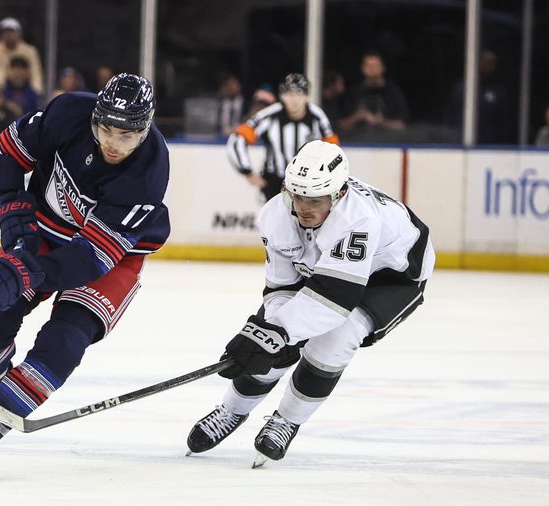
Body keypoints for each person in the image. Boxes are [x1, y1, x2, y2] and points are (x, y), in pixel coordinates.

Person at [0, 73, 170, 476]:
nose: (113, 142)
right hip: (44, 229)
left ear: (143, 131)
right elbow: (3, 154)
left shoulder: (148, 174)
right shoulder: (69, 112)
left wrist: (24, 272)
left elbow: (90, 259)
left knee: (65, 340)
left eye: (126, 136)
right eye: (106, 129)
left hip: (109, 258)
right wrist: (12, 208)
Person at [186, 140, 434, 466]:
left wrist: (281, 333)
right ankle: (231, 411)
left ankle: (287, 420)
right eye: (297, 196)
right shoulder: (275, 213)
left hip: (390, 278)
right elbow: (281, 286)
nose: (303, 207)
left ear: (339, 194)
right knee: (270, 338)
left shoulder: (358, 220)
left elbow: (334, 300)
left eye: (314, 200)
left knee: (336, 339)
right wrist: (270, 334)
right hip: (328, 269)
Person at [227, 73, 339, 202]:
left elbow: (333, 148)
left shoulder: (317, 116)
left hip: (307, 181)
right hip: (275, 182)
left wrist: (327, 177)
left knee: (304, 220)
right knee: (275, 221)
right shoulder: (270, 115)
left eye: (299, 94)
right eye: (289, 94)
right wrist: (247, 171)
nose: (294, 100)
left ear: (306, 96)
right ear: (282, 96)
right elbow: (238, 139)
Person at [339, 50, 409, 140]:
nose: (372, 69)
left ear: (383, 68)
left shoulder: (393, 92)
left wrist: (381, 121)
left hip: (389, 144)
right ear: (362, 68)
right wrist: (358, 116)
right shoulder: (354, 92)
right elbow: (341, 125)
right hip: (357, 143)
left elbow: (402, 125)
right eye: (368, 66)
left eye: (375, 66)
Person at [0, 17, 44, 95]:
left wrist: (37, 91)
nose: (8, 35)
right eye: (5, 32)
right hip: (5, 89)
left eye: (12, 31)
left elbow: (35, 73)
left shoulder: (30, 50)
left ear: (19, 33)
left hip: (27, 89)